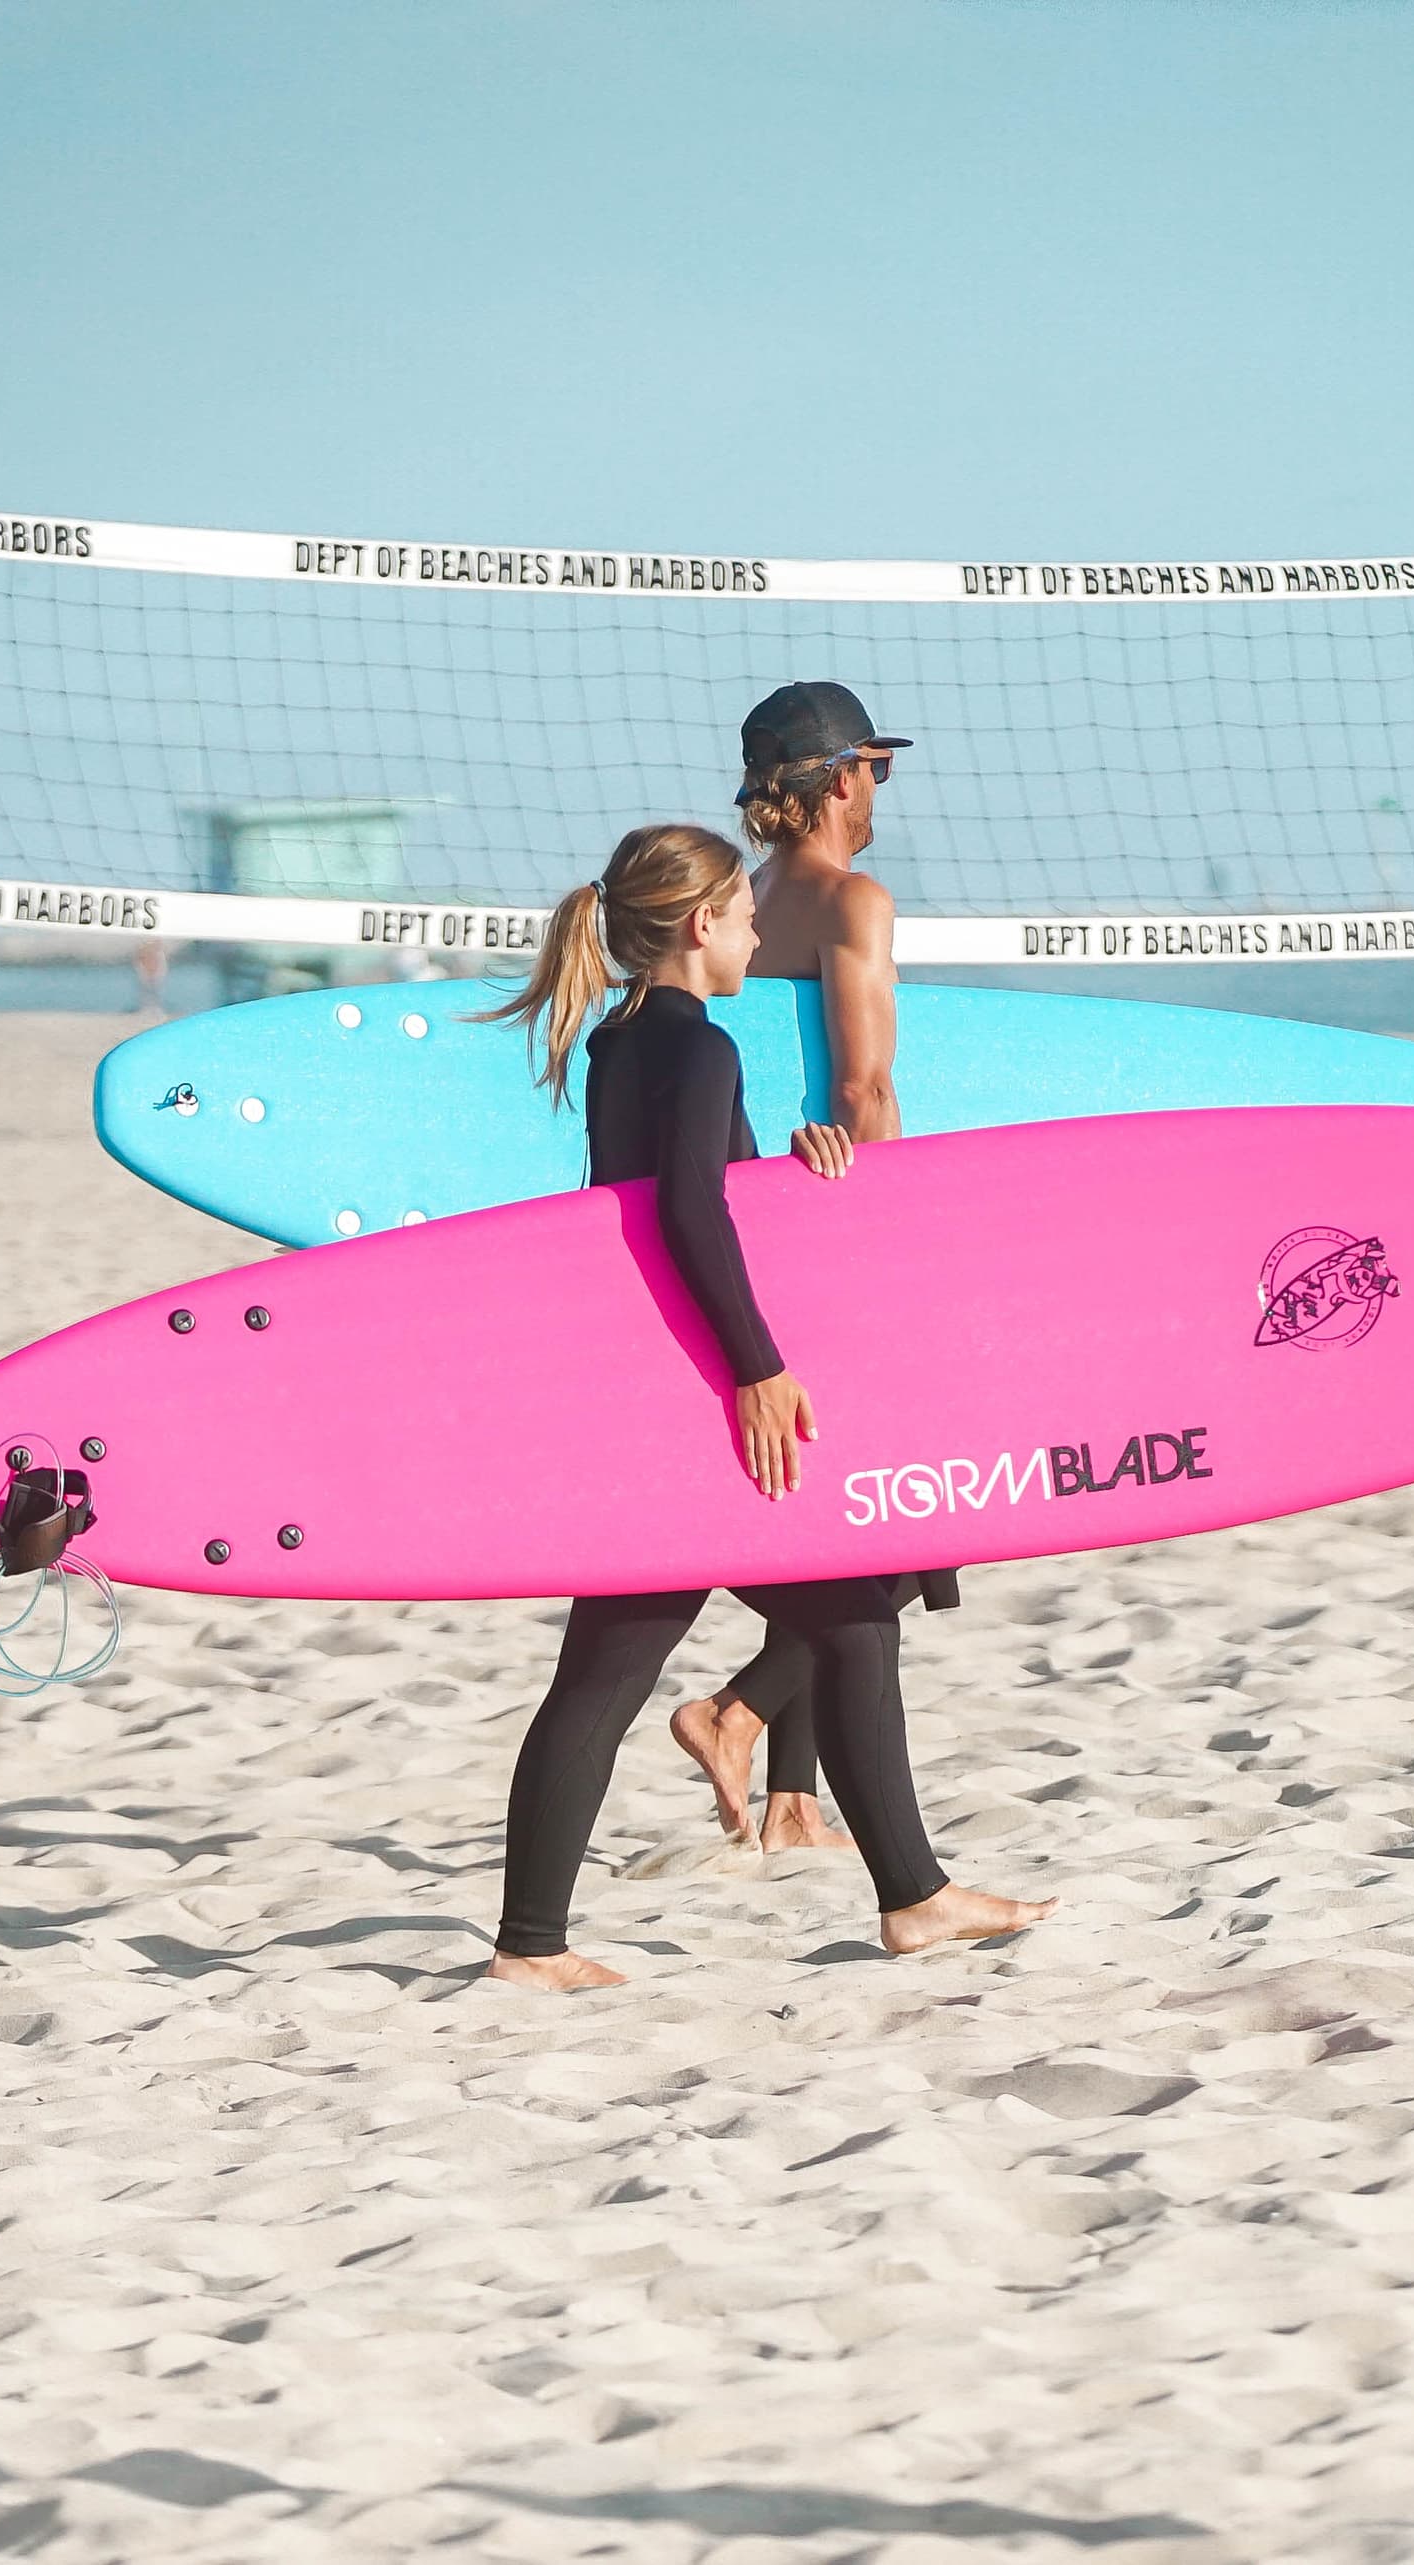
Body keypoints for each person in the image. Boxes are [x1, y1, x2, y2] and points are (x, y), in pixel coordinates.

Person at [470, 822, 1051, 1990]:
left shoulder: (622, 1044)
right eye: (743, 916)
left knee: (625, 1665)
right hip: (700, 1397)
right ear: (700, 926)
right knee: (844, 1617)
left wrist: (792, 1172)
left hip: (645, 1385)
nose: (753, 933)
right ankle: (913, 1898)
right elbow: (687, 1218)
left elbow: (669, 1200)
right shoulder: (701, 1050)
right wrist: (757, 1369)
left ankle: (535, 1945)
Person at [663, 684, 959, 1851]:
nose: (881, 790)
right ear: (843, 778)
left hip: (757, 1209)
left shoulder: (750, 901)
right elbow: (862, 1088)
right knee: (909, 1518)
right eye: (877, 769)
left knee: (823, 1505)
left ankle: (793, 1797)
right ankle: (736, 1712)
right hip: (838, 1208)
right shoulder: (853, 898)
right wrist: (893, 1233)